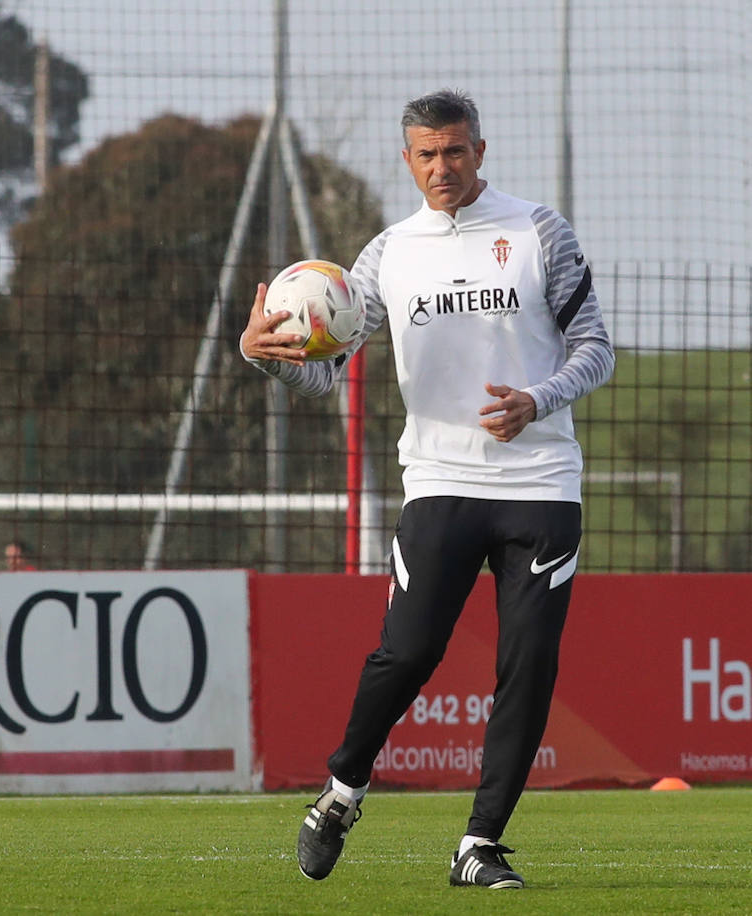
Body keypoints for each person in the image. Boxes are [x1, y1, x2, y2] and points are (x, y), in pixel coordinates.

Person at [240, 89, 614, 889]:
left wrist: (537, 400)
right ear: (406, 159)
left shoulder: (538, 230)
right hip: (440, 482)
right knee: (407, 652)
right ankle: (342, 791)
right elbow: (328, 370)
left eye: (454, 151)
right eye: (425, 154)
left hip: (541, 483)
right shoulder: (387, 254)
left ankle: (479, 844)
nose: (441, 167)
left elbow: (595, 350)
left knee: (530, 663)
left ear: (480, 150)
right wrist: (270, 354)